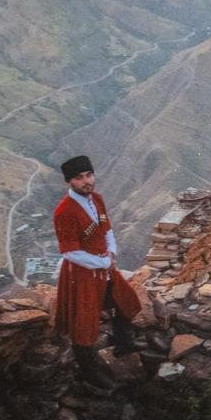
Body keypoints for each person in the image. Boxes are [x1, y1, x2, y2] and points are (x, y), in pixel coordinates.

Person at [52, 155, 141, 377]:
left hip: (104, 267)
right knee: (84, 319)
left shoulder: (97, 199)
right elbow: (70, 252)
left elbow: (106, 229)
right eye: (79, 178)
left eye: (89, 175)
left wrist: (111, 251)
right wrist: (103, 262)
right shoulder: (64, 211)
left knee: (126, 300)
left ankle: (123, 344)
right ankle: (88, 369)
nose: (86, 181)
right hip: (81, 274)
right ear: (69, 181)